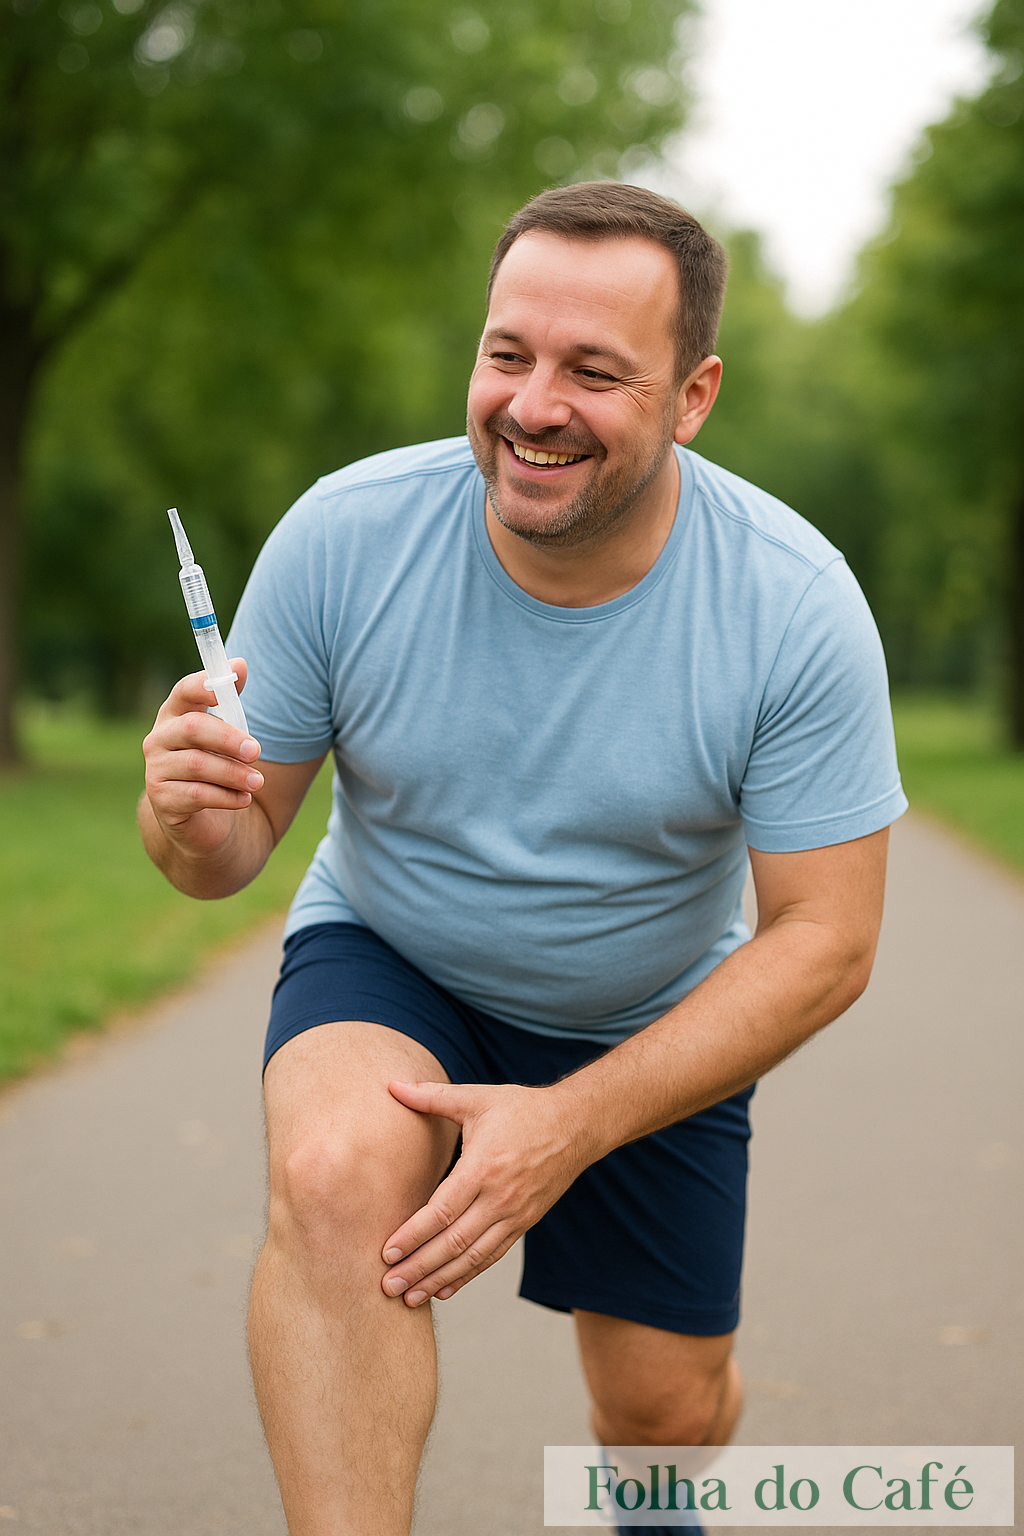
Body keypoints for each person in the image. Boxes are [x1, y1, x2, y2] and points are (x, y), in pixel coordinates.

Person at [139, 182, 906, 1536]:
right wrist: (189, 814)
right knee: (333, 1172)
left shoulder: (793, 606)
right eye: (509, 354)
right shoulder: (345, 535)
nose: (533, 404)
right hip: (394, 954)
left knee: (659, 1416)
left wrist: (571, 1123)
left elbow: (826, 941)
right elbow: (225, 856)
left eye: (595, 372)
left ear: (692, 396)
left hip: (646, 1015)